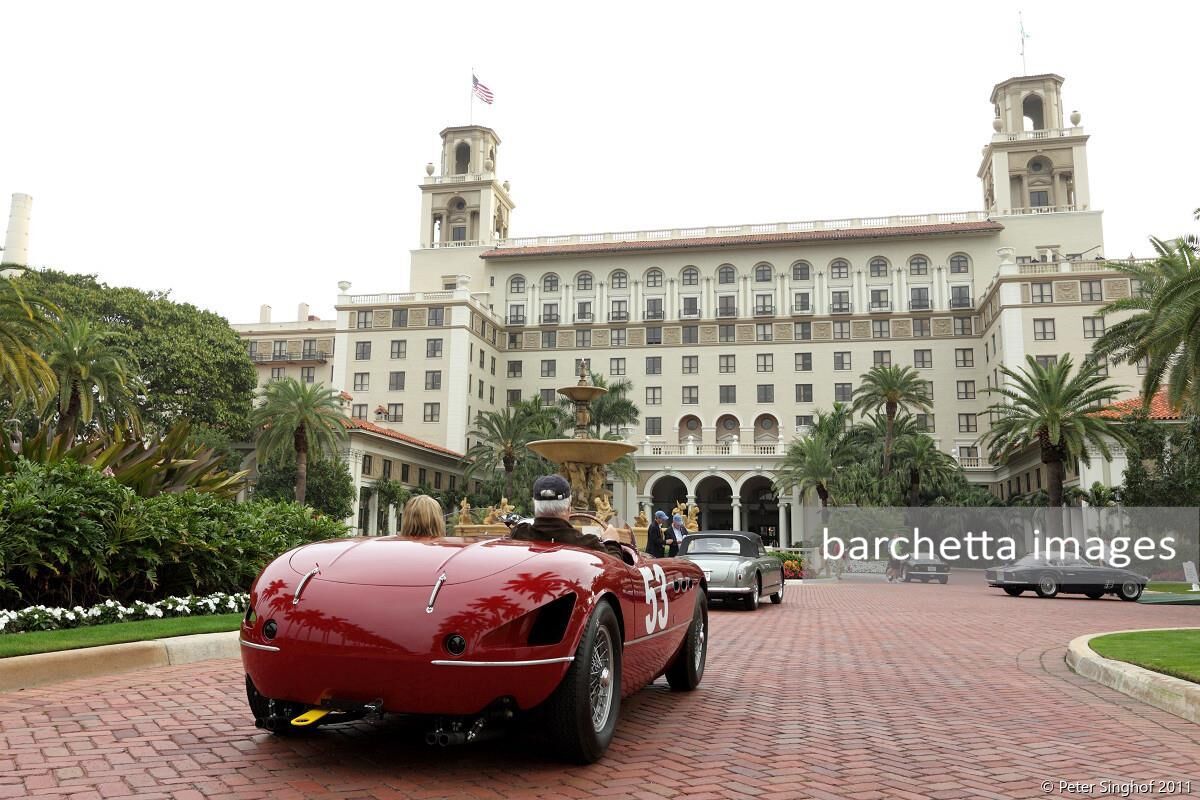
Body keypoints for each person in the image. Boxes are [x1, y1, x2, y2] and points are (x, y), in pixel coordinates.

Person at [510, 475, 624, 558]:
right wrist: (611, 542)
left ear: (535, 505)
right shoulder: (587, 544)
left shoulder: (519, 534)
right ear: (568, 508)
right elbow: (616, 569)